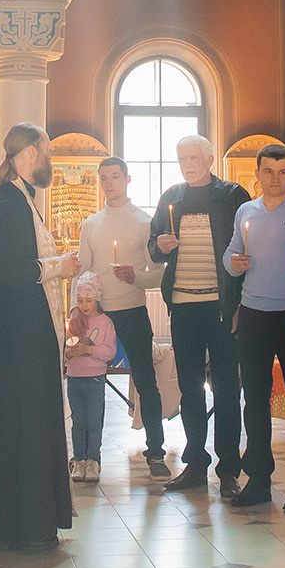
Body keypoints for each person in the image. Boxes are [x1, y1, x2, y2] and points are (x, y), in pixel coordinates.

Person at [0, 123, 79, 552]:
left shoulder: (21, 198)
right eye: (45, 149)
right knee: (20, 429)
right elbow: (13, 270)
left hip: (25, 339)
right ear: (29, 152)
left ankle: (31, 521)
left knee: (28, 426)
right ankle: (18, 524)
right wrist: (59, 267)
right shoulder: (8, 201)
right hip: (16, 344)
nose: (48, 158)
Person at [149, 134, 250, 495]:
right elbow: (154, 245)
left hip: (221, 307)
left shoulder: (232, 195)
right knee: (190, 388)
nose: (188, 163)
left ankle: (228, 471)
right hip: (183, 305)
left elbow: (246, 249)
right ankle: (195, 465)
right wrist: (159, 247)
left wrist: (237, 303)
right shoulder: (171, 198)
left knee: (225, 389)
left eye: (194, 157)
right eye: (182, 157)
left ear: (209, 159)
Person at [222, 144, 285, 511]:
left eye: (283, 171)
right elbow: (230, 256)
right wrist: (234, 263)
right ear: (257, 173)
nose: (275, 178)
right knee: (256, 401)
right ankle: (258, 480)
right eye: (268, 171)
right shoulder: (247, 210)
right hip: (253, 314)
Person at [75, 157, 170, 478]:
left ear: (128, 179)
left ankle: (155, 452)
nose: (109, 183)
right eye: (103, 178)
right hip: (98, 314)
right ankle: (89, 457)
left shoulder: (144, 222)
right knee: (88, 383)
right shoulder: (91, 224)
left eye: (115, 176)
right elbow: (84, 271)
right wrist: (78, 310)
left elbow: (157, 274)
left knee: (145, 380)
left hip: (131, 311)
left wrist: (135, 278)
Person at [65, 273, 116, 484]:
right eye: (80, 300)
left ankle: (93, 460)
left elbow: (109, 352)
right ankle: (79, 460)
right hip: (75, 378)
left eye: (88, 300)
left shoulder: (105, 323)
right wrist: (69, 352)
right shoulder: (74, 322)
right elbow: (63, 348)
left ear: (97, 299)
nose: (84, 305)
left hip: (95, 379)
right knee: (78, 421)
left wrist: (88, 349)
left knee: (94, 421)